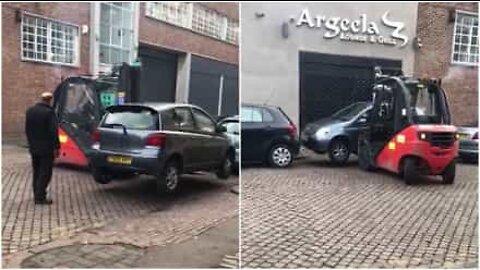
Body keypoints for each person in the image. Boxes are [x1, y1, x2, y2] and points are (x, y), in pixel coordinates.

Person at [25, 92, 60, 205]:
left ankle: (37, 194)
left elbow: (27, 129)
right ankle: (40, 197)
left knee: (36, 171)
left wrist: (30, 143)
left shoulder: (30, 111)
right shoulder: (49, 113)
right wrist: (56, 147)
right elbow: (53, 132)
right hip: (46, 149)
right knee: (45, 173)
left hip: (33, 147)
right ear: (49, 100)